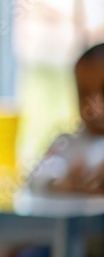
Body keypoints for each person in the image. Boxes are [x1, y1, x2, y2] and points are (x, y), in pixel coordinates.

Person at [29, 43, 104, 194]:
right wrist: (60, 184)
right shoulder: (66, 143)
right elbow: (36, 179)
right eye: (84, 94)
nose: (94, 107)